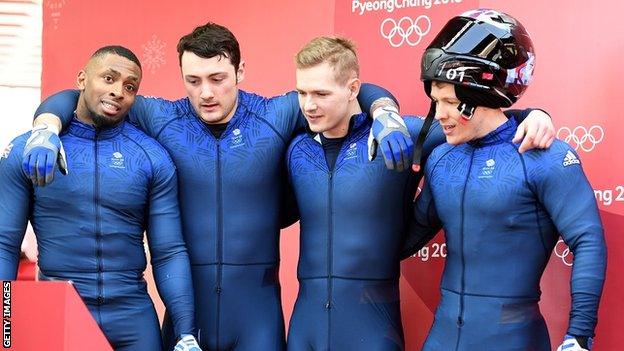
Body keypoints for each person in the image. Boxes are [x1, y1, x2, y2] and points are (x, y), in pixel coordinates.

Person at [25, 23, 553, 350]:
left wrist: (527, 112)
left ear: (240, 71)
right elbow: (89, 96)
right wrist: (47, 126)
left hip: (259, 318)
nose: (206, 93)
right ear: (181, 78)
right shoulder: (161, 117)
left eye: (218, 78)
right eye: (193, 80)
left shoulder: (279, 113)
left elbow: (355, 88)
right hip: (184, 317)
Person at [286, 36, 556, 350]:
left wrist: (533, 115)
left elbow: (483, 124)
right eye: (302, 93)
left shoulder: (403, 134)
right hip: (305, 326)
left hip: (371, 325)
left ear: (352, 89)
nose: (309, 104)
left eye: (320, 93)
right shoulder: (295, 145)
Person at [403, 9, 607, 351]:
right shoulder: (441, 157)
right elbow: (409, 235)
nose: (439, 115)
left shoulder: (544, 156)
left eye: (450, 102)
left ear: (483, 98)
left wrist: (580, 335)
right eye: (435, 101)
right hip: (442, 336)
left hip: (512, 338)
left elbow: (588, 242)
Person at [0, 46, 201, 351]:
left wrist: (185, 333)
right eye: (109, 78)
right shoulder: (28, 151)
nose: (118, 91)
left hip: (132, 317)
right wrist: (5, 325)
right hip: (60, 312)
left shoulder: (151, 157)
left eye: (129, 86)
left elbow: (169, 251)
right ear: (82, 79)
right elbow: (4, 243)